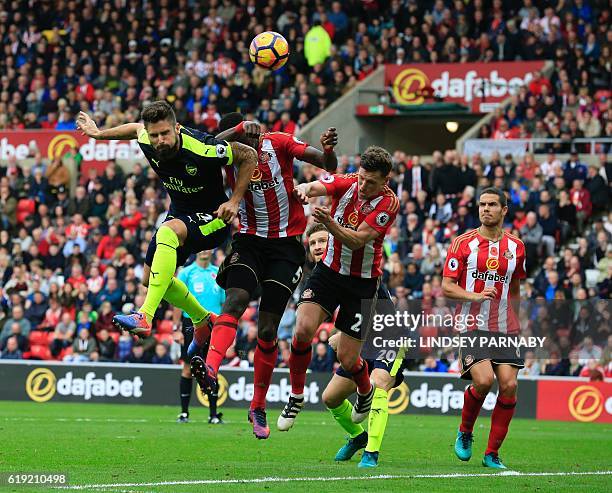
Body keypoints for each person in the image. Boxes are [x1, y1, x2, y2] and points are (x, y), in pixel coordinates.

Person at [189, 113, 338, 439]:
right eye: (246, 138)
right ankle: (211, 368)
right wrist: (238, 132)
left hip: (285, 247)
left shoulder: (279, 142)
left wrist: (327, 151)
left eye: (255, 137)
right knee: (236, 299)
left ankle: (257, 406)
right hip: (249, 240)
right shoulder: (224, 153)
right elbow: (208, 143)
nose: (254, 143)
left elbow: (327, 163)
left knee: (268, 329)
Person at [76, 101, 257, 339]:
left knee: (166, 233)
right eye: (155, 135)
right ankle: (202, 319)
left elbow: (249, 155)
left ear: (177, 128)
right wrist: (99, 135)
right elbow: (134, 129)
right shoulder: (147, 139)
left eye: (165, 133)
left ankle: (145, 315)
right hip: (181, 214)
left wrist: (233, 201)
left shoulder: (202, 148)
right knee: (149, 279)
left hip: (213, 218)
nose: (160, 140)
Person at [276, 146, 399, 433]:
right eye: (362, 177)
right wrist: (304, 190)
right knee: (303, 330)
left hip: (363, 283)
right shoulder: (348, 182)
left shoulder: (388, 205)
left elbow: (358, 241)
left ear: (386, 180)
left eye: (371, 181)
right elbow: (316, 184)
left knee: (347, 358)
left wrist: (330, 223)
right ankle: (296, 396)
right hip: (329, 273)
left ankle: (365, 390)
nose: (364, 185)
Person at [305, 223, 407, 468]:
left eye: (322, 241)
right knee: (330, 397)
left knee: (379, 384)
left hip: (389, 338)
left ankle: (371, 452)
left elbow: (381, 311)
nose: (318, 247)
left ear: (334, 244)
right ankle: (358, 436)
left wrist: (341, 335)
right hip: (359, 345)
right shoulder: (320, 279)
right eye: (313, 244)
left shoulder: (355, 267)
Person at [442, 187, 527, 470]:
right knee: (483, 380)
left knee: (510, 385)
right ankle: (465, 431)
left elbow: (514, 285)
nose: (485, 209)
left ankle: (492, 454)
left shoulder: (517, 247)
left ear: (504, 210)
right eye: (482, 204)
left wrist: (516, 316)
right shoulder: (462, 243)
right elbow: (447, 287)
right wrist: (475, 296)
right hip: (471, 322)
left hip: (505, 326)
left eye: (492, 204)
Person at [173, 251, 225, 424]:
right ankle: (184, 413)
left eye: (208, 248)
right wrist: (175, 328)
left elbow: (225, 303)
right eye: (202, 248)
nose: (205, 250)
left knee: (212, 368)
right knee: (187, 368)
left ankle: (213, 415)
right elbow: (176, 300)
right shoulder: (186, 272)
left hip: (215, 325)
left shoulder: (219, 272)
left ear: (212, 251)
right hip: (191, 324)